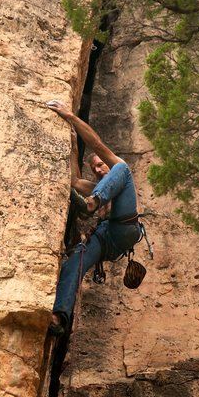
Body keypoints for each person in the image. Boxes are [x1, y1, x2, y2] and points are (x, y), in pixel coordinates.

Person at [46, 100, 141, 335]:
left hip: (125, 226)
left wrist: (70, 116)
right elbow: (75, 182)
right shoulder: (96, 183)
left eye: (100, 165)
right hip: (105, 237)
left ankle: (91, 203)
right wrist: (73, 149)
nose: (99, 170)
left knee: (122, 168)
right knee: (74, 263)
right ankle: (59, 318)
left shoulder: (116, 168)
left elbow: (97, 144)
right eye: (95, 169)